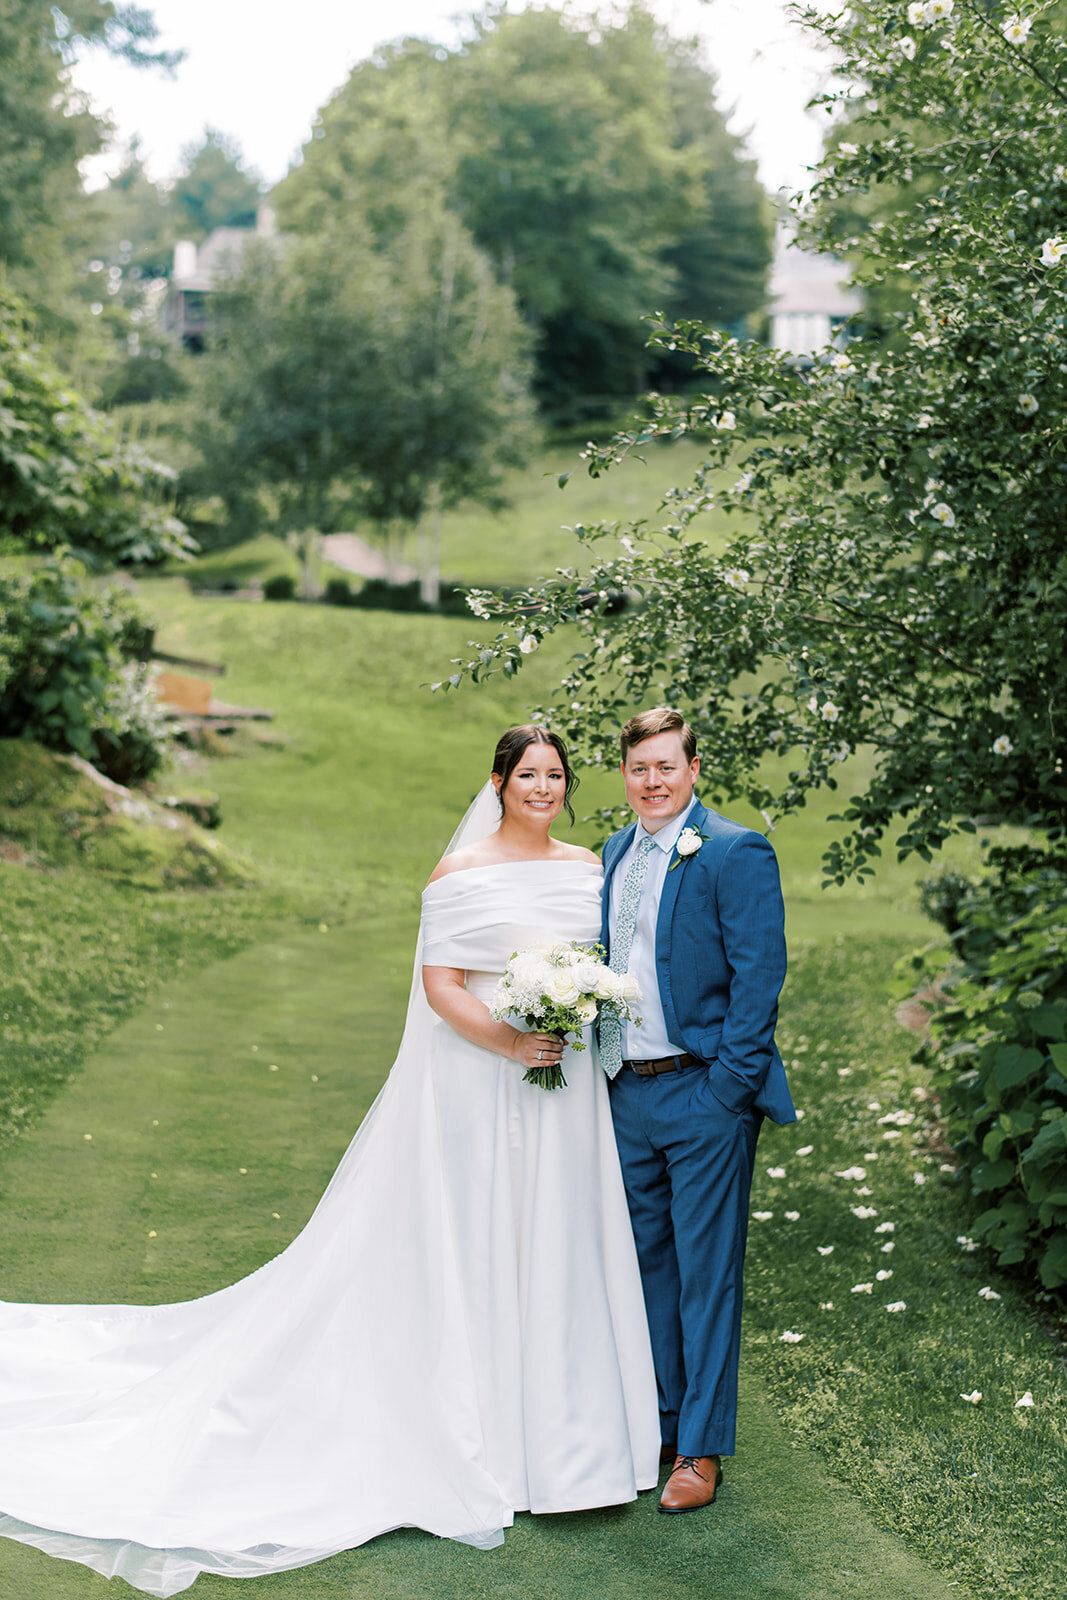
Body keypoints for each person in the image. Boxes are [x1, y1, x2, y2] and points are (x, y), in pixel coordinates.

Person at [0, 726, 659, 1598]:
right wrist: (511, 1041)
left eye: (554, 775)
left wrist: (567, 1022)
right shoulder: (458, 874)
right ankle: (484, 1434)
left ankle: (566, 1442)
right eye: (526, 774)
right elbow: (441, 988)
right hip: (481, 1079)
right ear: (497, 782)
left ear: (568, 786)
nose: (542, 787)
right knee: (471, 1237)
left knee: (556, 1239)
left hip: (565, 1091)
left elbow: (602, 963)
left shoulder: (587, 867)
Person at [599, 707, 794, 1514]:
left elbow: (759, 976)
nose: (652, 781)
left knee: (705, 1277)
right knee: (644, 1269)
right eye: (639, 768)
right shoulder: (612, 851)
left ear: (693, 768)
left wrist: (728, 1088)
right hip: (625, 1092)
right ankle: (662, 1421)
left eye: (665, 767)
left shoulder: (732, 849)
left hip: (704, 1092)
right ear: (625, 775)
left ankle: (700, 1452)